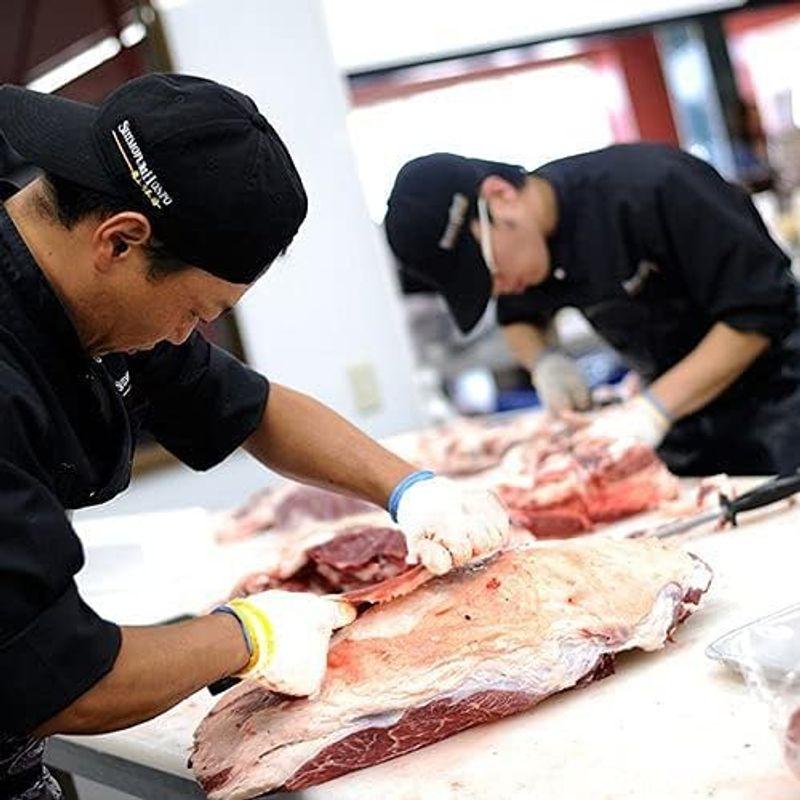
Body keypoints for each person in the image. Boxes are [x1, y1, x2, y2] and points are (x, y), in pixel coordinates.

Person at [0, 74, 509, 799]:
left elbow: (250, 407)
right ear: (120, 240)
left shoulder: (84, 284)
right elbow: (55, 677)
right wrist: (248, 635)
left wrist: (411, 489)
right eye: (197, 310)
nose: (190, 334)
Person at [384, 144, 800, 476]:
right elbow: (519, 318)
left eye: (489, 272)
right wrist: (546, 363)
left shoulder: (656, 187)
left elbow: (756, 314)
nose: (498, 289)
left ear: (500, 196)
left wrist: (651, 410)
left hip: (782, 399)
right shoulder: (525, 250)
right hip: (691, 421)